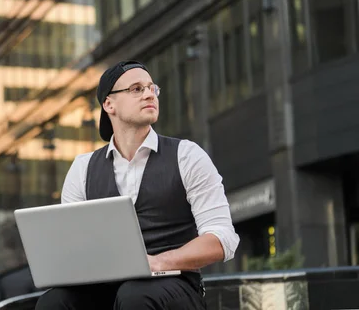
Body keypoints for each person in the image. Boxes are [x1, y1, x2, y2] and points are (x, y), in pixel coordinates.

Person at [35, 60, 240, 309]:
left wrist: (159, 262)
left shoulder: (186, 155)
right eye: (136, 89)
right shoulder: (83, 168)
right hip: (107, 288)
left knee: (136, 295)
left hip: (176, 286)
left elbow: (222, 238)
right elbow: (72, 245)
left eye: (151, 88)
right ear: (108, 104)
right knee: (53, 302)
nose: (148, 94)